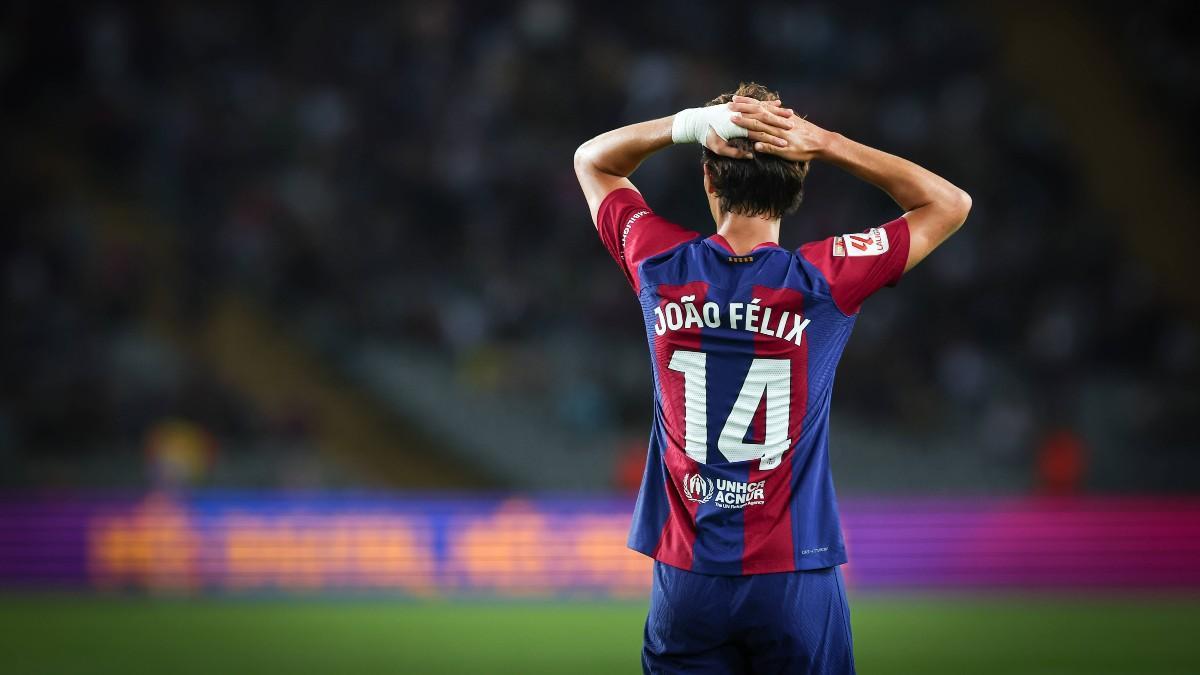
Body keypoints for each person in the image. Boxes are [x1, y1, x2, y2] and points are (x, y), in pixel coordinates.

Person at [573, 82, 971, 674]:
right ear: (798, 185)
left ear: (709, 179)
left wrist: (688, 123)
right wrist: (829, 143)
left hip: (688, 579)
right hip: (793, 576)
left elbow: (592, 159)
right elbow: (949, 203)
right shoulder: (826, 278)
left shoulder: (659, 261)